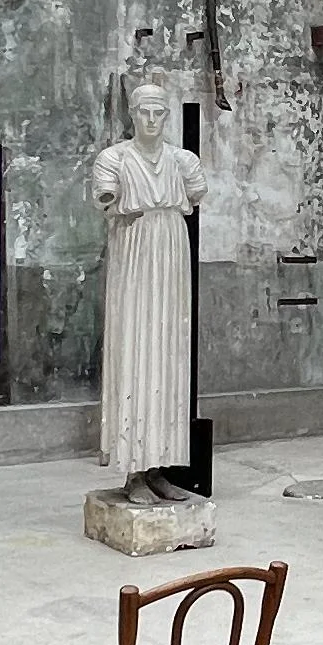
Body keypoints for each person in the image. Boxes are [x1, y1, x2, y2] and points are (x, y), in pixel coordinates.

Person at [90, 73, 206, 501]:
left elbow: (195, 195)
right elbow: (106, 199)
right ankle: (133, 471)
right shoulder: (114, 160)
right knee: (136, 349)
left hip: (172, 253)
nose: (153, 119)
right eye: (145, 112)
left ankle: (160, 466)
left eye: (160, 112)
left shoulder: (183, 162)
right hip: (135, 256)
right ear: (133, 114)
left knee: (169, 353)